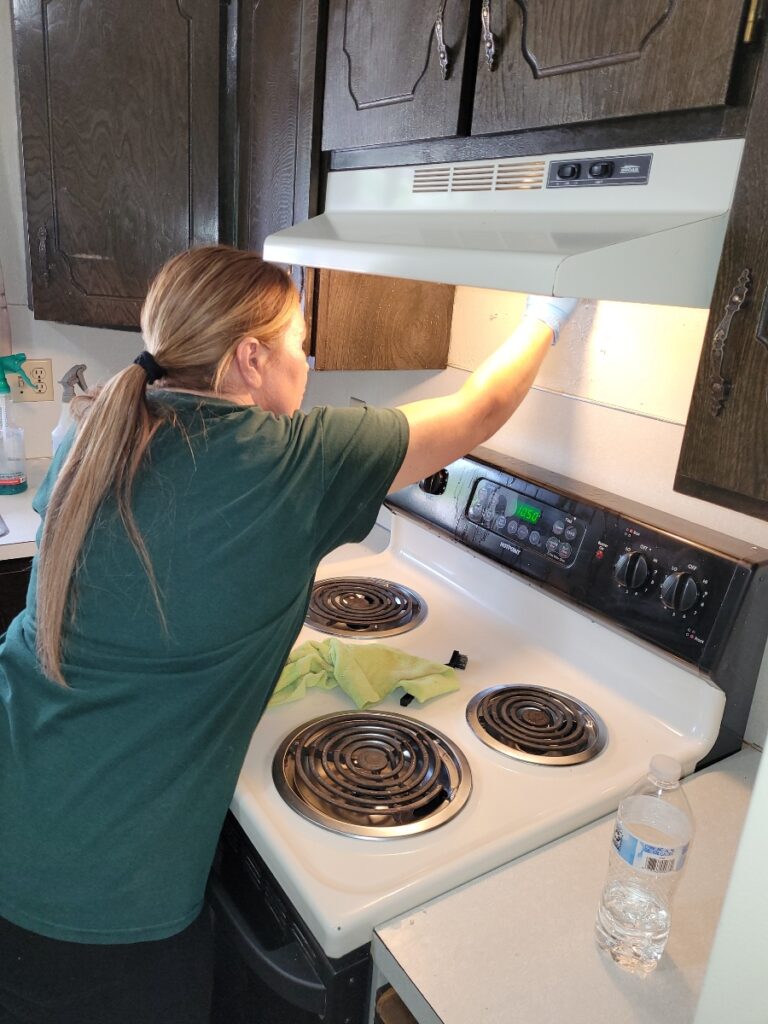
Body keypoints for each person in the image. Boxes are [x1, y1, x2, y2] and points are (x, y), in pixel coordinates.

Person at [0, 244, 577, 1024]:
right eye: (300, 344)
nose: (307, 362)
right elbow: (479, 410)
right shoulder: (287, 463)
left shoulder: (95, 428)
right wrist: (554, 310)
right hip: (107, 902)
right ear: (249, 358)